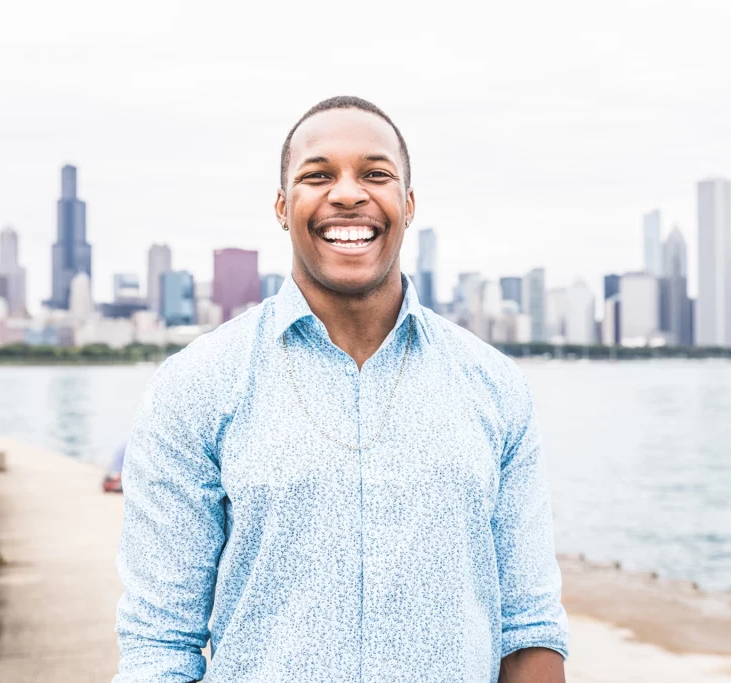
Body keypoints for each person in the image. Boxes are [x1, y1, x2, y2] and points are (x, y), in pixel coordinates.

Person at [114, 96, 568, 683]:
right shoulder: (196, 385)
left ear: (407, 204)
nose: (348, 193)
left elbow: (529, 627)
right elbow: (160, 642)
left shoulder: (494, 385)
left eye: (375, 174)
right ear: (283, 206)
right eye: (317, 174)